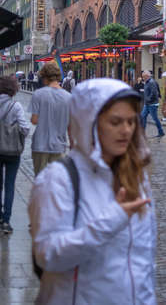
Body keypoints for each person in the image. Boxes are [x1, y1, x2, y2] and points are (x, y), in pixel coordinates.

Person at [29, 78, 156, 304]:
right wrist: (112, 220)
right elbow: (48, 255)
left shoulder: (135, 176)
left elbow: (142, 261)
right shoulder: (58, 180)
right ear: (90, 123)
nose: (126, 130)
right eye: (115, 122)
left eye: (130, 121)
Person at [29, 62, 71, 176]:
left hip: (40, 144)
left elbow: (34, 120)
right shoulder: (68, 97)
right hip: (59, 145)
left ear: (44, 76)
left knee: (40, 180)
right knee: (56, 182)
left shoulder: (38, 94)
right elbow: (71, 126)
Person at [0, 76, 30, 234]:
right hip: (12, 151)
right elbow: (25, 128)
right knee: (10, 185)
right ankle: (6, 221)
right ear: (13, 88)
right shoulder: (16, 106)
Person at [140, 70, 165, 138]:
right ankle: (142, 132)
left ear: (147, 76)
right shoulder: (147, 82)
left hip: (152, 104)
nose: (143, 78)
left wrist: (148, 99)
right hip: (147, 104)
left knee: (155, 118)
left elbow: (154, 93)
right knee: (143, 116)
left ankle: (161, 132)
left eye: (143, 77)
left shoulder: (151, 82)